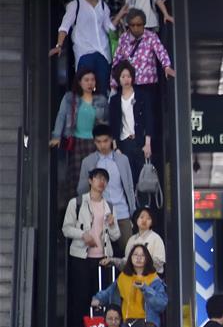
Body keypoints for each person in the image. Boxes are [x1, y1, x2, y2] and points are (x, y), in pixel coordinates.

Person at [61, 167, 119, 327]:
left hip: (103, 259)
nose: (101, 182)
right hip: (81, 258)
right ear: (90, 180)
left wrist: (113, 224)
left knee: (102, 300)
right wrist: (83, 235)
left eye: (104, 179)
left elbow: (116, 236)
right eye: (98, 178)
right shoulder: (77, 202)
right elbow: (66, 229)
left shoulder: (109, 206)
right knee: (80, 299)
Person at [50, 0, 126, 94]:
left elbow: (109, 28)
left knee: (102, 92)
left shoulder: (103, 5)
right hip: (84, 54)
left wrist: (120, 14)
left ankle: (101, 110)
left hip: (103, 54)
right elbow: (64, 26)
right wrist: (59, 45)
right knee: (85, 92)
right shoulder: (75, 5)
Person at [77, 124, 137, 255]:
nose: (102, 145)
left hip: (122, 213)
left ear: (111, 140)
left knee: (128, 254)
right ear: (94, 142)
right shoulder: (88, 162)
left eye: (105, 141)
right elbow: (81, 189)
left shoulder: (122, 160)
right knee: (99, 255)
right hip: (98, 215)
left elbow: (129, 186)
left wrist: (132, 209)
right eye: (98, 142)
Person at [50, 68, 109, 191]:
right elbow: (61, 117)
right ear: (79, 82)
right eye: (86, 80)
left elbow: (106, 123)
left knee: (95, 177)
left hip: (94, 143)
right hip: (76, 142)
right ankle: (76, 206)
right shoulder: (70, 98)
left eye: (92, 80)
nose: (90, 83)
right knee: (76, 177)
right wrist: (56, 137)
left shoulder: (101, 100)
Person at [108, 61, 154, 189]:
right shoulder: (115, 100)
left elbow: (149, 119)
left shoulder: (142, 95)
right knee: (127, 181)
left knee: (143, 179)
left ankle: (144, 207)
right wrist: (116, 147)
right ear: (118, 79)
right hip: (124, 143)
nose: (126, 79)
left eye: (128, 76)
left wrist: (148, 144)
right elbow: (113, 125)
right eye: (123, 77)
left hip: (140, 142)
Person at [110, 8, 174, 95]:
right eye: (132, 25)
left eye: (139, 25)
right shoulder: (123, 38)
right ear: (128, 25)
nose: (136, 28)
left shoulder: (151, 36)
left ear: (144, 24)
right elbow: (116, 61)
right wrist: (113, 85)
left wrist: (167, 66)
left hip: (148, 84)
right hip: (129, 84)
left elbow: (161, 51)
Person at [102, 206, 165, 274]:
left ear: (152, 222)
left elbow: (159, 262)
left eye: (148, 218)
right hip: (133, 278)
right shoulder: (131, 240)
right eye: (141, 217)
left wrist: (141, 263)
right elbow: (126, 262)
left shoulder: (156, 238)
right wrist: (112, 261)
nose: (144, 220)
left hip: (152, 278)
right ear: (136, 219)